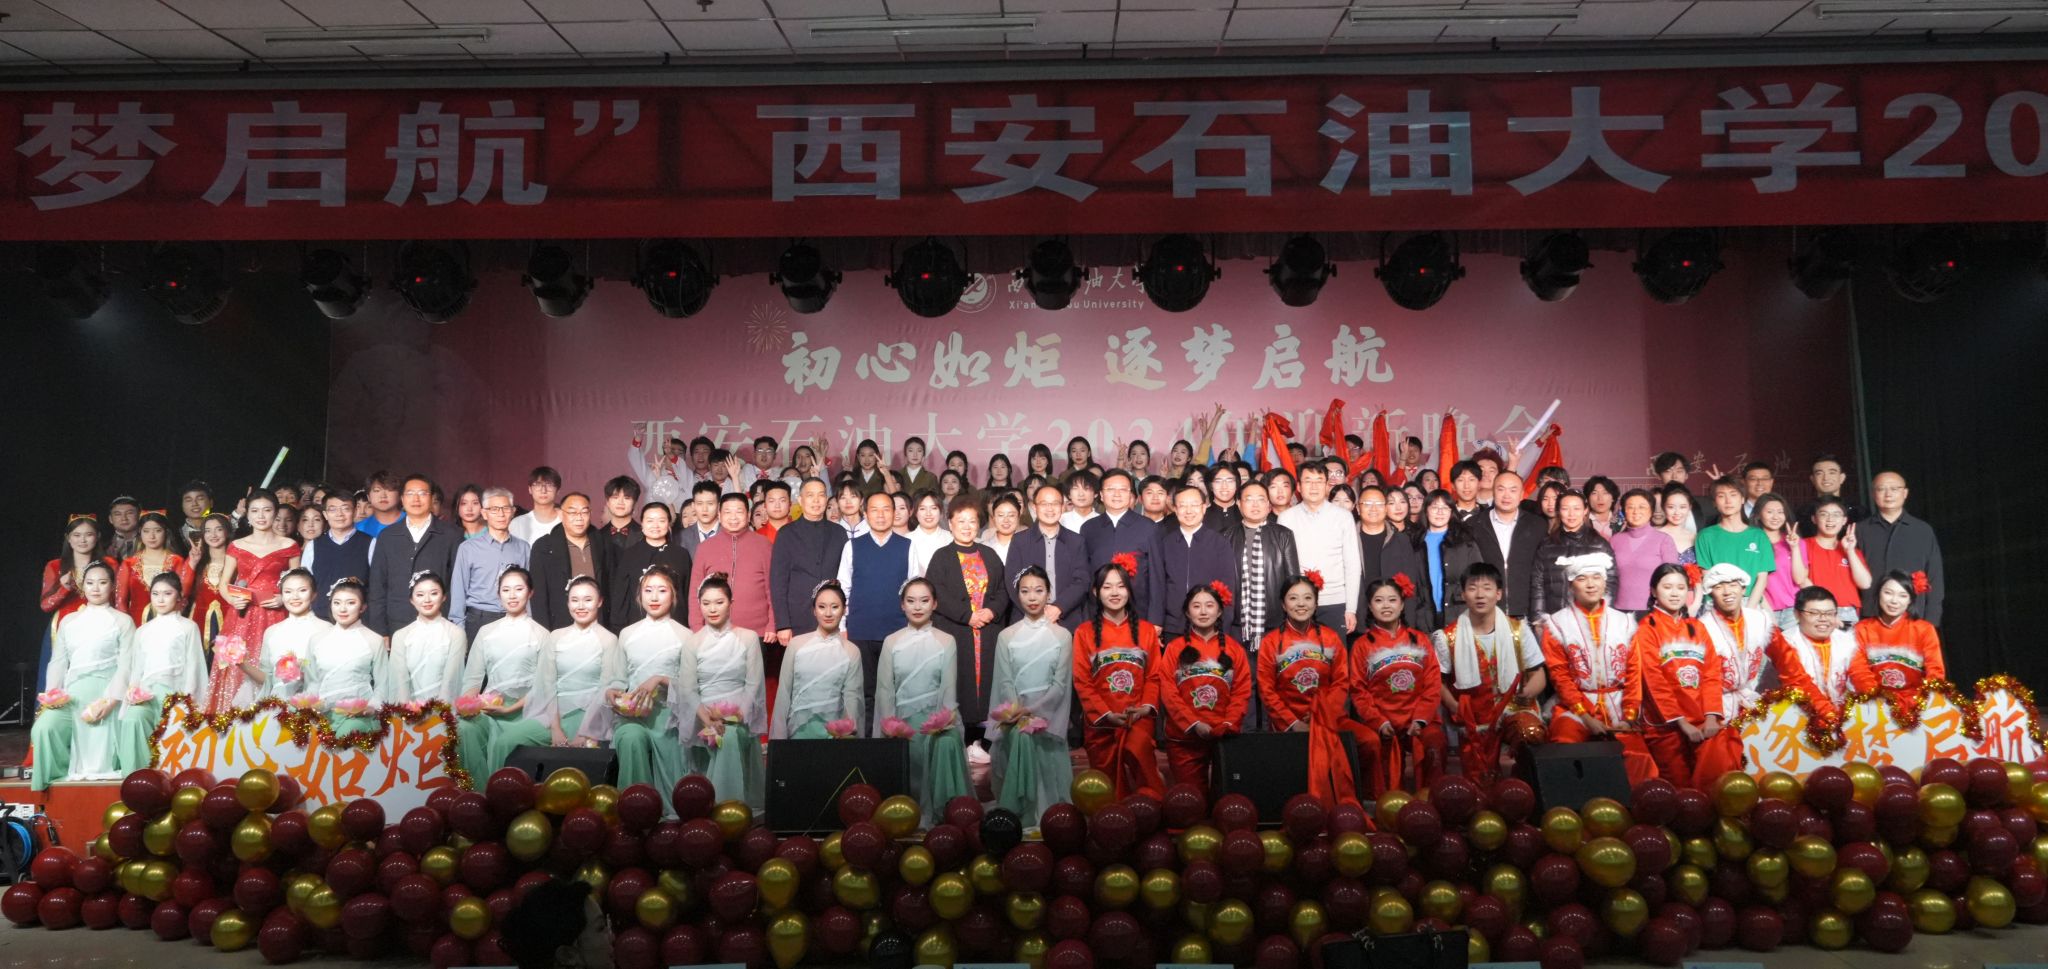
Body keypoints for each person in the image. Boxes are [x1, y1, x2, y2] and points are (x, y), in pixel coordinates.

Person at [1538, 556, 1656, 785]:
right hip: (1575, 706)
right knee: (1564, 746)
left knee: (1638, 757)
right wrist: (1585, 717)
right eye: (1582, 579)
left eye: (1596, 578)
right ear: (1571, 585)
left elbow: (1633, 672)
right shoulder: (1556, 624)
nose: (1590, 584)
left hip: (1618, 704)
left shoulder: (1625, 622)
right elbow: (1560, 675)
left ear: (1604, 582)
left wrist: (1629, 717)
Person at [487, 576, 619, 766]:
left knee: (577, 760)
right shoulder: (556, 636)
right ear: (568, 603)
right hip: (552, 714)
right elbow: (547, 685)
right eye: (575, 600)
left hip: (589, 716)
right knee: (505, 742)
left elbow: (605, 690)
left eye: (588, 600)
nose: (581, 606)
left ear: (599, 602)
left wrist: (586, 732)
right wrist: (555, 728)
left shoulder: (609, 640)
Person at [1258, 573, 1365, 807]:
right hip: (1290, 722)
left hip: (1327, 718)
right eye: (1293, 598)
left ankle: (1365, 800)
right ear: (1283, 604)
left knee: (1370, 741)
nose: (1301, 604)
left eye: (1307, 598)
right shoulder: (1271, 642)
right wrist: (1293, 722)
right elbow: (1266, 689)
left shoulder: (1330, 637)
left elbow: (1341, 682)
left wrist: (1322, 714)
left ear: (1316, 604)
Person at [1433, 563, 1546, 785]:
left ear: (1499, 593)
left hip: (1514, 708)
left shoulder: (1518, 630)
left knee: (1530, 732)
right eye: (1472, 588)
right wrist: (1456, 707)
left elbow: (1538, 672)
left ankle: (1523, 780)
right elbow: (1438, 682)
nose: (1480, 595)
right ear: (1463, 594)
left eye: (1487, 587)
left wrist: (1530, 690)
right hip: (1474, 717)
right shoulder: (1448, 637)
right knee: (1481, 783)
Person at [1633, 562, 1740, 788]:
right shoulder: (1646, 628)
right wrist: (1682, 723)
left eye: (1681, 588)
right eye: (1667, 587)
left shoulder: (1697, 627)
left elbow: (1711, 673)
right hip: (1666, 726)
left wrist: (1711, 717)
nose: (1675, 593)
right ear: (1653, 591)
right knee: (1679, 787)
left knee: (1713, 784)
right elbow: (1654, 681)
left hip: (1701, 722)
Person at [876, 577, 972, 824]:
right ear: (902, 605)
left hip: (934, 724)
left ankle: (941, 816)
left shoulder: (946, 640)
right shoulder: (891, 641)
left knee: (942, 747)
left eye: (924, 601)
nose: (917, 607)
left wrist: (940, 725)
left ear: (935, 604)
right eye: (911, 601)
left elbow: (948, 690)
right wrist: (890, 725)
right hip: (901, 724)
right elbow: (885, 690)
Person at [31, 560, 133, 789]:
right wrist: (52, 696)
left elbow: (127, 664)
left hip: (106, 693)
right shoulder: (69, 621)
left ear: (112, 586)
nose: (96, 588)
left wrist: (111, 700)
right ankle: (52, 785)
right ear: (82, 586)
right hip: (72, 695)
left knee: (99, 746)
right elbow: (58, 662)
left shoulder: (123, 621)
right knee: (44, 728)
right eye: (90, 583)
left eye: (102, 582)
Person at [986, 567, 1076, 826]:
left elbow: (1060, 685)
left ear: (1049, 594)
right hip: (1015, 717)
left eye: (1039, 590)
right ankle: (1020, 818)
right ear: (1018, 595)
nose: (1032, 597)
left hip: (1048, 718)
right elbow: (1004, 680)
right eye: (1025, 591)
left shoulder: (1062, 636)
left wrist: (1034, 711)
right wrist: (1018, 712)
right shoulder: (1006, 636)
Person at [1072, 561, 1165, 800]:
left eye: (1121, 586)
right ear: (1096, 592)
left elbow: (1154, 676)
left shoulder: (1146, 631)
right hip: (1101, 722)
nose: (1115, 593)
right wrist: (1106, 714)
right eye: (1107, 587)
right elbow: (1082, 681)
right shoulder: (1084, 633)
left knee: (1144, 771)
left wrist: (1144, 708)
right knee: (1108, 793)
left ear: (1129, 591)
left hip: (1138, 718)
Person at [1696, 563, 1826, 728]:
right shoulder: (1701, 628)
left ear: (1743, 589)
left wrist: (1821, 705)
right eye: (1718, 587)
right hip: (1713, 707)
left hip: (1750, 700)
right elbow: (1703, 680)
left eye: (1733, 585)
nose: (1727, 591)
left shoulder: (1760, 620)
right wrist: (1711, 716)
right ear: (1710, 593)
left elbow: (1790, 666)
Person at [601, 567, 693, 798]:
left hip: (670, 717)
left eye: (662, 590)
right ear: (639, 596)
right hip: (633, 715)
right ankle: (635, 803)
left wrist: (661, 679)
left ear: (673, 595)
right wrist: (613, 691)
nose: (654, 597)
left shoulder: (686, 636)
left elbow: (692, 688)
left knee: (674, 787)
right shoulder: (627, 634)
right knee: (630, 738)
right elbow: (619, 677)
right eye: (648, 590)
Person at [1351, 578, 1446, 796]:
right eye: (1379, 600)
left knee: (1435, 743)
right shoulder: (1362, 645)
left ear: (1402, 605)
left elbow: (1432, 684)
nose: (1386, 606)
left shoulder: (1419, 639)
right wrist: (1379, 721)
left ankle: (1433, 800)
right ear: (1370, 606)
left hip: (1418, 719)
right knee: (1383, 774)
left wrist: (1420, 719)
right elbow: (1358, 690)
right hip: (1383, 721)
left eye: (1392, 600)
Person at [454, 568, 550, 778]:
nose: (512, 595)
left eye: (519, 589)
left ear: (530, 592)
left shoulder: (542, 635)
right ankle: (478, 790)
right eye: (506, 590)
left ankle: (497, 792)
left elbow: (542, 688)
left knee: (505, 742)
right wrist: (469, 706)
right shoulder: (486, 632)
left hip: (526, 712)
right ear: (498, 595)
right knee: (462, 728)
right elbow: (472, 680)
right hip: (490, 709)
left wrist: (509, 709)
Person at [1158, 582, 1251, 799]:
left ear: (1219, 611)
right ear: (1187, 612)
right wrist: (1193, 723)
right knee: (1191, 801)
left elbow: (1241, 691)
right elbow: (1168, 692)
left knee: (1225, 800)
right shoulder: (1174, 648)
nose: (1203, 611)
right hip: (1184, 738)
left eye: (1209, 605)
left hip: (1223, 736)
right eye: (1196, 606)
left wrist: (1228, 723)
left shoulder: (1234, 649)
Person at [208, 494, 300, 712]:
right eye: (255, 511)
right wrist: (233, 600)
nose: (261, 516)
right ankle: (231, 719)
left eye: (267, 510)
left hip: (275, 614)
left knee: (273, 663)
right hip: (242, 616)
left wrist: (284, 599)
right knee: (238, 662)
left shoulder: (289, 545)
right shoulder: (236, 545)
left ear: (275, 513)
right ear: (247, 515)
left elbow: (298, 581)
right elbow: (224, 584)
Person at [925, 497, 1010, 733]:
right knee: (959, 681)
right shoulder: (941, 556)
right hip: (957, 630)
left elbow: (1004, 589)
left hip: (988, 630)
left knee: (989, 682)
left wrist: (991, 611)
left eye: (972, 521)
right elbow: (937, 592)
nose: (966, 526)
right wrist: (967, 616)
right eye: (961, 521)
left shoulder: (989, 554)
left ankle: (986, 735)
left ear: (979, 524)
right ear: (950, 523)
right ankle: (961, 734)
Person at [687, 574, 768, 812]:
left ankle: (727, 809)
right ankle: (717, 807)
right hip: (703, 717)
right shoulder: (693, 642)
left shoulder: (748, 638)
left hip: (739, 717)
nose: (712, 609)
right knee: (722, 735)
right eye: (706, 603)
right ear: (699, 604)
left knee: (730, 735)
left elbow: (753, 683)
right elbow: (688, 688)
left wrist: (737, 715)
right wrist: (706, 718)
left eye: (719, 602)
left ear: (731, 603)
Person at [112, 572, 208, 772]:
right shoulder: (142, 631)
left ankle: (165, 775)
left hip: (175, 695)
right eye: (155, 594)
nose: (161, 599)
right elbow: (137, 668)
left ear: (179, 596)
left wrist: (187, 701)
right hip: (147, 696)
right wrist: (133, 691)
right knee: (132, 719)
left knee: (175, 727)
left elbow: (193, 666)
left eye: (167, 593)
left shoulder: (188, 627)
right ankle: (137, 775)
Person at [1223, 481, 1299, 713]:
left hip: (1273, 623)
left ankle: (1272, 730)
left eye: (1260, 499)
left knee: (1273, 682)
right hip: (1238, 624)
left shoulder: (1283, 535)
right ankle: (1245, 730)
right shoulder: (1226, 536)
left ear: (1268, 505)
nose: (1255, 505)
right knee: (1243, 682)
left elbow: (1292, 581)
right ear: (1239, 504)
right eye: (1249, 499)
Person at [839, 492, 913, 728]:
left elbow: (914, 591)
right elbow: (843, 589)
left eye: (886, 509)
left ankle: (895, 740)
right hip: (861, 631)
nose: (880, 515)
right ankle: (868, 740)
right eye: (874, 510)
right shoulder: (852, 546)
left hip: (897, 631)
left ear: (895, 512)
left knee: (896, 690)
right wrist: (842, 627)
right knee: (865, 692)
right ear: (865, 513)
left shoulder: (908, 546)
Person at [367, 474, 461, 635]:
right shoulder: (387, 536)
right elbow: (377, 586)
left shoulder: (451, 535)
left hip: (439, 622)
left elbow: (457, 584)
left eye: (422, 493)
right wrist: (380, 630)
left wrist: (451, 621)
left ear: (431, 498)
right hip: (397, 621)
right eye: (410, 493)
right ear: (402, 499)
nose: (416, 499)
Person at [771, 581, 864, 738]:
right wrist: (778, 739)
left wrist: (849, 738)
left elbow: (852, 700)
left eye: (835, 607)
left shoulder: (851, 651)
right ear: (814, 610)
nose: (828, 613)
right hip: (797, 733)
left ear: (844, 610)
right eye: (821, 607)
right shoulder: (796, 645)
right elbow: (784, 694)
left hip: (834, 736)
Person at [771, 478, 850, 648]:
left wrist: (844, 622)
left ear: (826, 499)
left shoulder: (839, 532)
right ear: (800, 500)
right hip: (798, 617)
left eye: (821, 495)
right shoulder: (786, 534)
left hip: (833, 617)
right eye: (810, 495)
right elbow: (778, 583)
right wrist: (783, 624)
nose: (816, 500)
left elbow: (847, 578)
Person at [304, 577, 388, 735]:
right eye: (337, 603)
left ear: (362, 607)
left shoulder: (374, 640)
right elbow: (312, 682)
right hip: (322, 714)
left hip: (358, 716)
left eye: (351, 603)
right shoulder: (317, 640)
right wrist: (310, 704)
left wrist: (372, 706)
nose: (342, 609)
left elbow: (383, 683)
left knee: (349, 732)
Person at [1858, 472, 1943, 626]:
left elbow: (1935, 576)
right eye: (1881, 489)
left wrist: (1931, 619)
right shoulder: (1860, 530)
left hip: (1914, 615)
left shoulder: (1922, 530)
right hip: (1871, 615)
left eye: (1894, 489)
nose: (1888, 494)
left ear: (1905, 493)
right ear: (1873, 494)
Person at [1850, 571, 1946, 702]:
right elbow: (1858, 670)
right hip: (1876, 702)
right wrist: (1876, 699)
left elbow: (1935, 671)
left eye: (1903, 595)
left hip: (1916, 702)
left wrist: (1923, 702)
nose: (1894, 601)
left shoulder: (1924, 629)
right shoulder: (1862, 629)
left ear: (1910, 600)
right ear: (1879, 594)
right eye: (1888, 593)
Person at [448, 488, 531, 638]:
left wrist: (529, 622)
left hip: (514, 619)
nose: (501, 514)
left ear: (513, 512)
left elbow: (528, 589)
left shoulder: (523, 547)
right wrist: (458, 628)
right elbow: (459, 589)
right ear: (484, 513)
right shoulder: (468, 548)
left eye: (506, 508)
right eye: (494, 509)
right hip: (479, 619)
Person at [1528, 491, 1619, 630]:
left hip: (1589, 621)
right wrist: (1538, 619)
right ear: (1559, 511)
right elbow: (1537, 583)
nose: (1571, 514)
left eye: (1576, 508)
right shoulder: (1547, 545)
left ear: (1585, 510)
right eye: (1565, 509)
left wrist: (1601, 615)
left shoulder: (1600, 545)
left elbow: (1610, 582)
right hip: (1554, 620)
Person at [1006, 484, 1088, 631]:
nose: (1050, 509)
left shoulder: (1076, 541)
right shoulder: (1020, 541)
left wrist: (1059, 607)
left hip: (1066, 620)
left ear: (1062, 507)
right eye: (1044, 504)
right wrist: (1035, 610)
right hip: (1026, 620)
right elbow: (1012, 580)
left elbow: (1081, 581)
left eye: (1055, 503)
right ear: (1035, 507)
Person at [1469, 472, 1546, 621]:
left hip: (1526, 612)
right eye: (1501, 489)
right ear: (1493, 491)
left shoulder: (1537, 525)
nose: (1506, 495)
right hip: (1485, 613)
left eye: (1513, 490)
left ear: (1522, 494)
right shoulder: (1473, 525)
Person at [1080, 471, 1158, 618]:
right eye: (1110, 489)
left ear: (1131, 495)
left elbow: (1156, 576)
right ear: (1101, 495)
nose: (1117, 494)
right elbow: (1084, 575)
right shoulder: (1089, 528)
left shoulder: (1148, 527)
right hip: (1097, 612)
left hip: (1139, 611)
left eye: (1123, 489)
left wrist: (1156, 618)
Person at [245, 569, 329, 700]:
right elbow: (267, 681)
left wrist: (303, 671)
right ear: (282, 596)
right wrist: (241, 663)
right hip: (278, 706)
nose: (295, 597)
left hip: (313, 705)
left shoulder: (326, 630)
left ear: (314, 594)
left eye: (302, 590)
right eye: (288, 592)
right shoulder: (272, 632)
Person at [386, 572, 468, 705]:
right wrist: (407, 712)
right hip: (408, 711)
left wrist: (439, 713)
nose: (427, 600)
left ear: (444, 597)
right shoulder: (401, 636)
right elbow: (399, 682)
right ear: (411, 600)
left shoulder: (456, 633)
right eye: (420, 595)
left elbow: (452, 681)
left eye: (434, 593)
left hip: (444, 712)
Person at [528, 493, 605, 631]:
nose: (579, 518)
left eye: (584, 512)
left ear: (590, 514)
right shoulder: (544, 547)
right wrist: (544, 633)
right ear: (560, 514)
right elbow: (539, 597)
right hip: (560, 626)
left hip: (598, 624)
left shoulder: (602, 542)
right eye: (572, 512)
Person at [609, 502, 693, 630]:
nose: (655, 525)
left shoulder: (681, 554)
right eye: (650, 521)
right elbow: (620, 596)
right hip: (638, 625)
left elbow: (687, 593)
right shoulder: (630, 554)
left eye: (661, 521)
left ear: (669, 524)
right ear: (642, 524)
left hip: (675, 625)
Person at [1693, 478, 1774, 609]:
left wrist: (1749, 609)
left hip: (1750, 602)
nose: (1728, 501)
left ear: (1742, 499)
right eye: (1721, 496)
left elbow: (1762, 578)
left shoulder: (1759, 536)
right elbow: (1707, 576)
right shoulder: (1705, 536)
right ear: (1714, 502)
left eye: (1733, 494)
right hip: (1717, 603)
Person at [1795, 497, 1870, 625]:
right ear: (1814, 519)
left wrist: (1850, 551)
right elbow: (1800, 579)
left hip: (1847, 611)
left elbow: (1865, 583)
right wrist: (1826, 611)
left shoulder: (1852, 549)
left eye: (1836, 515)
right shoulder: (1803, 545)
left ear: (1844, 520)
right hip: (1815, 610)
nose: (1830, 519)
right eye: (1824, 514)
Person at [116, 510, 192, 626]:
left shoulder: (176, 561)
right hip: (135, 624)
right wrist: (126, 626)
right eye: (146, 531)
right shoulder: (129, 564)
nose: (151, 536)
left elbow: (182, 597)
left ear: (166, 532)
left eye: (157, 530)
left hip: (169, 624)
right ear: (140, 532)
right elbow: (120, 600)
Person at [305, 493, 372, 622]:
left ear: (355, 511)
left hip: (359, 619)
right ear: (325, 515)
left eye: (345, 508)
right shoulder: (313, 546)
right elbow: (306, 584)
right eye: (333, 509)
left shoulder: (370, 543)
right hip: (320, 618)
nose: (339, 514)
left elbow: (377, 584)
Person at [1609, 489, 1678, 614]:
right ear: (1624, 511)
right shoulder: (1615, 540)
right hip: (1618, 610)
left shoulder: (1664, 540)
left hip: (1653, 610)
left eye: (1642, 507)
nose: (1636, 512)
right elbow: (1608, 577)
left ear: (1651, 511)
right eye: (1630, 507)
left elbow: (1672, 578)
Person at [186, 513, 237, 654]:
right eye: (207, 531)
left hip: (230, 621)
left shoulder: (238, 562)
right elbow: (183, 590)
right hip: (200, 621)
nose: (213, 535)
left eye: (218, 529)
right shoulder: (198, 562)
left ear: (227, 532)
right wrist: (192, 563)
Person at [1797, 454, 1867, 537]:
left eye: (1832, 473)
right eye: (1819, 473)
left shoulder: (1857, 512)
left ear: (1842, 478)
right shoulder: (1803, 513)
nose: (1826, 478)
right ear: (1812, 479)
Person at [628, 425, 689, 513]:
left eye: (680, 453)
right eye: (671, 451)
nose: (674, 455)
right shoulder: (653, 475)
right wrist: (638, 438)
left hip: (684, 519)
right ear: (665, 455)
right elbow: (636, 459)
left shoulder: (689, 477)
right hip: (658, 519)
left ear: (684, 458)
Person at [903, 491, 951, 580]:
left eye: (933, 508)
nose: (928, 513)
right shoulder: (906, 540)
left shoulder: (951, 538)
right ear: (915, 513)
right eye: (922, 509)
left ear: (941, 512)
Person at [509, 467, 564, 545]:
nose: (543, 490)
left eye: (549, 485)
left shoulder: (567, 521)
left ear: (558, 490)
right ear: (530, 489)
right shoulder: (517, 523)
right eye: (538, 485)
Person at [598, 476, 644, 567]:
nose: (620, 502)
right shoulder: (597, 536)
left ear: (634, 503)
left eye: (627, 498)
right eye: (615, 497)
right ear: (607, 502)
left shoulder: (644, 535)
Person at [678, 482, 724, 555]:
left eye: (710, 503)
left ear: (719, 506)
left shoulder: (729, 532)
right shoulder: (684, 536)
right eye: (700, 503)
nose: (704, 509)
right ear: (693, 506)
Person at [1658, 485, 1699, 565]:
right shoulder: (1655, 536)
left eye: (1682, 507)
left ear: (1689, 508)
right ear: (1663, 508)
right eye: (1671, 507)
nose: (1677, 512)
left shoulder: (1697, 538)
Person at [984, 492, 1025, 565]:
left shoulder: (1028, 546)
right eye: (1001, 515)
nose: (1006, 520)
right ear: (994, 518)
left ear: (1018, 517)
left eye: (1011, 515)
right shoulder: (984, 547)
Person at [1205, 465, 1242, 533]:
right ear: (1210, 486)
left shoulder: (1245, 514)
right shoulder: (1202, 515)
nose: (1224, 486)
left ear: (1237, 485)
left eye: (1230, 481)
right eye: (1218, 481)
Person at [106, 497, 141, 561]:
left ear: (139, 516)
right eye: (118, 514)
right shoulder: (102, 545)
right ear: (110, 519)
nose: (124, 518)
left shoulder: (150, 542)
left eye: (129, 513)